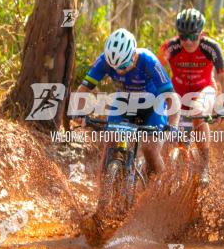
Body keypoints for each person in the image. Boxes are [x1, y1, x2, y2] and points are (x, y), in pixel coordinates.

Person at [73, 28, 175, 177]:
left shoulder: (149, 61)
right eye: (114, 67)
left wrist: (173, 125)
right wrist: (79, 111)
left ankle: (160, 188)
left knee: (150, 149)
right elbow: (84, 89)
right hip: (124, 102)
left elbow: (172, 97)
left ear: (134, 55)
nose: (119, 71)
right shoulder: (105, 61)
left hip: (154, 105)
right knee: (110, 144)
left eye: (122, 66)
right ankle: (103, 196)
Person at [158, 8, 224, 184]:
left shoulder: (211, 47)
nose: (188, 41)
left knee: (198, 112)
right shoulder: (170, 47)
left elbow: (223, 76)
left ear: (201, 34)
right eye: (183, 36)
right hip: (177, 92)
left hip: (204, 89)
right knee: (165, 127)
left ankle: (204, 167)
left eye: (193, 36)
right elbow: (155, 71)